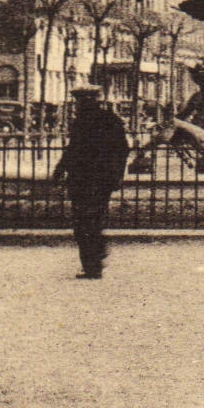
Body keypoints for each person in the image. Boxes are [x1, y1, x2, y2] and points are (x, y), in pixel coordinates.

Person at [52, 87, 130, 280]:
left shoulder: (82, 122)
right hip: (101, 179)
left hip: (84, 179)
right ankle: (95, 258)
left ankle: (92, 263)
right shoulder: (111, 120)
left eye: (80, 102)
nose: (77, 106)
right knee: (94, 218)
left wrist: (60, 170)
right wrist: (117, 175)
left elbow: (73, 150)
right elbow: (122, 150)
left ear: (87, 102)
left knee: (83, 221)